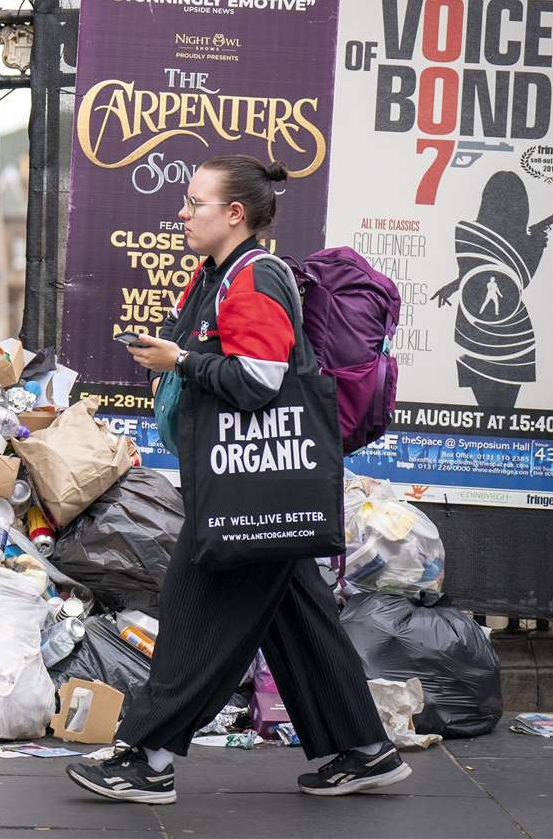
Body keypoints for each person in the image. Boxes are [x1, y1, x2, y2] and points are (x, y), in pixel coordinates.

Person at [67, 155, 405, 805]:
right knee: (298, 617)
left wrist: (181, 361)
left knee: (197, 615)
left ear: (234, 214)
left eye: (194, 202)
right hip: (253, 488)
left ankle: (149, 757)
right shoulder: (214, 275)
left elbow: (258, 382)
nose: (181, 213)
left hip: (248, 490)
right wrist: (170, 357)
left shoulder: (254, 277)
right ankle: (363, 749)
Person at [432, 172, 552, 410]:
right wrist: (535, 246)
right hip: (513, 331)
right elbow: (514, 281)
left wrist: (453, 286)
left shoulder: (465, 232)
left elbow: (478, 272)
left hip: (473, 328)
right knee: (502, 413)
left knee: (487, 410)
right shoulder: (524, 242)